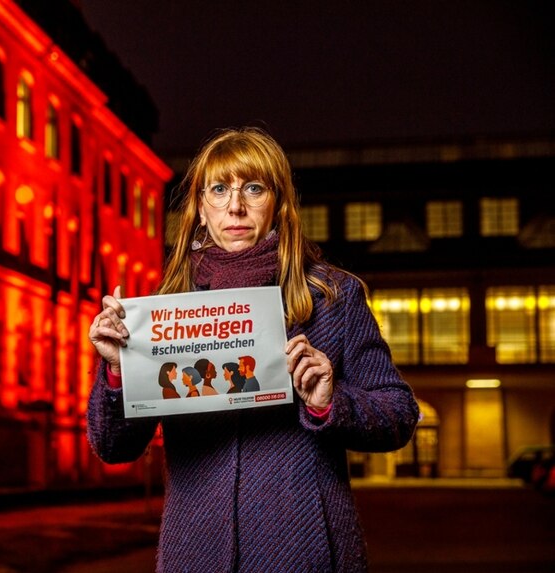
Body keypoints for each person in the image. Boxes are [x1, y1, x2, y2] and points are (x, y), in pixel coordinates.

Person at [86, 126, 419, 572]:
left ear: (278, 204)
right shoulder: (164, 314)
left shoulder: (334, 297)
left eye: (254, 188)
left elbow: (398, 414)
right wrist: (116, 372)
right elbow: (112, 447)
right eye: (220, 189)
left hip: (308, 555)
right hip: (195, 555)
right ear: (201, 209)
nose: (235, 206)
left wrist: (330, 401)